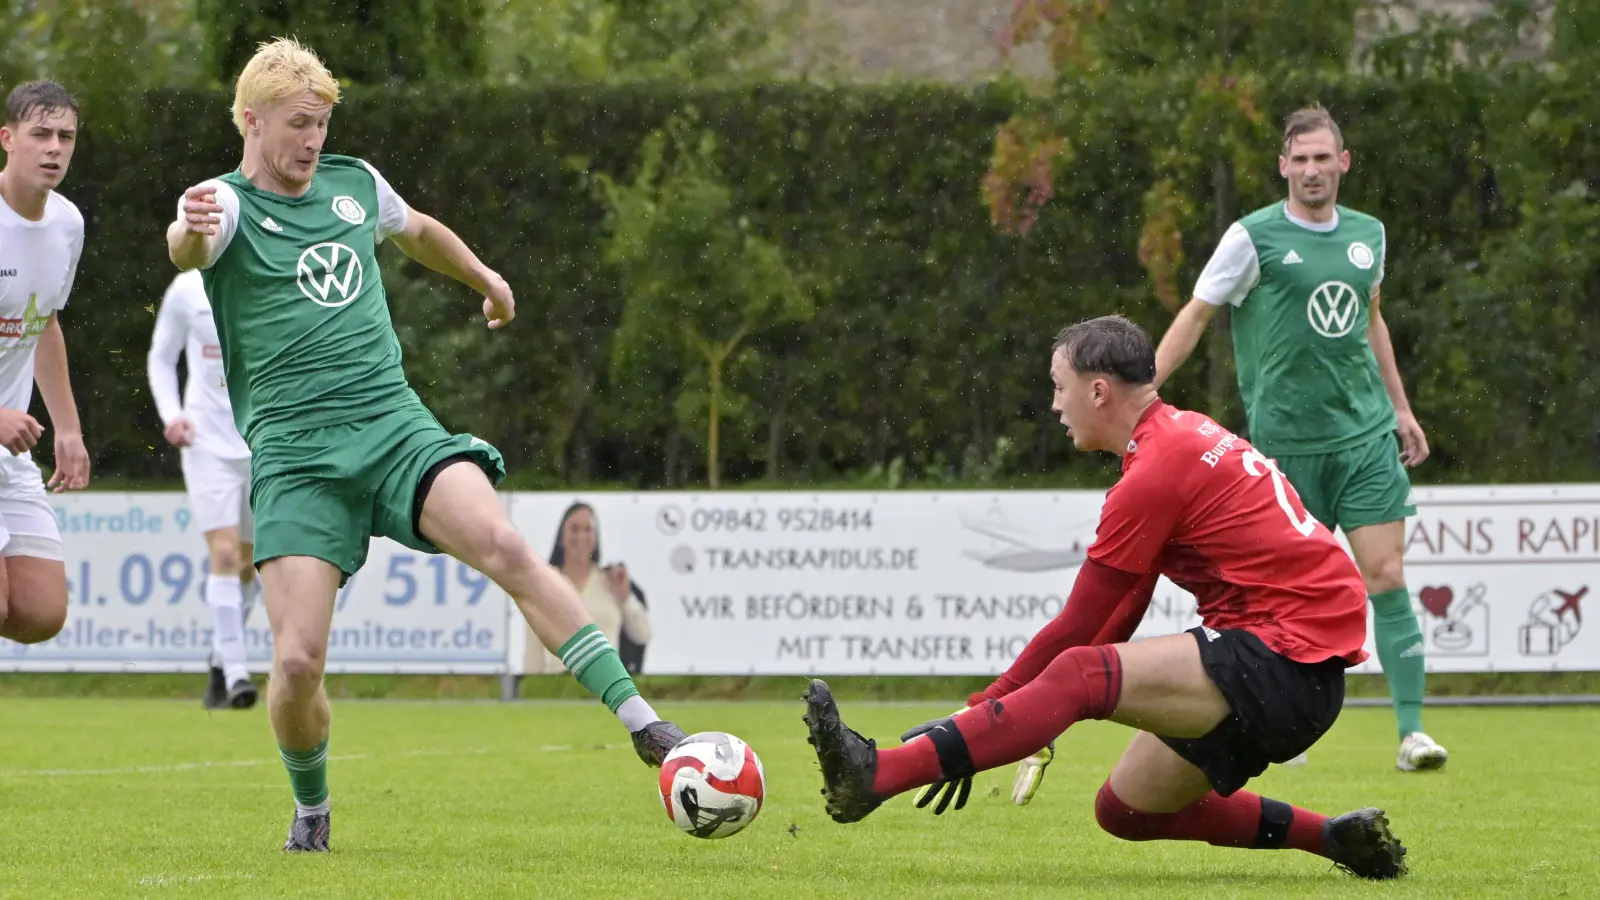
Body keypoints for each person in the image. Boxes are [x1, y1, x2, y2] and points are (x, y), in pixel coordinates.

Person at [164, 37, 685, 852]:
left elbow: (417, 230)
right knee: (297, 663)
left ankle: (646, 725)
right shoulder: (223, 206)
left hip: (392, 425)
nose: (313, 142)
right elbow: (187, 248)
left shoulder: (354, 183)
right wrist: (187, 230)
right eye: (299, 125)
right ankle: (311, 807)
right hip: (297, 458)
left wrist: (487, 280)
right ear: (251, 119)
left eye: (323, 126)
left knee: (506, 543)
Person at [804, 316, 1408, 881]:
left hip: (1283, 660)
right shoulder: (1180, 436)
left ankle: (876, 775)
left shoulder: (1155, 472)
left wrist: (980, 713)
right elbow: (1123, 610)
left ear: (1098, 391)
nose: (1053, 405)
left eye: (1058, 387)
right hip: (1298, 673)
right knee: (1126, 810)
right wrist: (1005, 721)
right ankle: (1332, 838)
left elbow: (1080, 628)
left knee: (1076, 671)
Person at [1152, 105, 1445, 773]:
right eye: (1300, 159)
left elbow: (1372, 320)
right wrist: (1145, 395)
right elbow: (1197, 314)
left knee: (1387, 574)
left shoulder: (1369, 235)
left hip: (1366, 438)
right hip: (1285, 450)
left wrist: (1401, 408)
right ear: (1284, 166)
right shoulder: (1251, 237)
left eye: (1324, 158)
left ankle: (1412, 734)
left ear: (1344, 163)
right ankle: (1274, 728)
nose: (1312, 170)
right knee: (1281, 601)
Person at [0, 80, 91, 647]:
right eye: (40, 134)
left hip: (10, 453)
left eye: (66, 136)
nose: (54, 148)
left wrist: (69, 428)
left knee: (39, 612)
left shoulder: (68, 224)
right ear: (7, 139)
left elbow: (46, 322)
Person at [147, 268, 260, 710]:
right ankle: (237, 674)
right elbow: (161, 356)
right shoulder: (186, 289)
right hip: (205, 442)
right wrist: (171, 414)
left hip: (258, 440)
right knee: (226, 554)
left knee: (250, 565)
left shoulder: (267, 272)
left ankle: (219, 659)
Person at [526, 502, 652, 675]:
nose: (581, 536)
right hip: (558, 684)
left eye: (588, 530)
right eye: (574, 529)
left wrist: (625, 597)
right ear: (562, 534)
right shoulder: (547, 582)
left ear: (596, 536)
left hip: (607, 682)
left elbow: (642, 634)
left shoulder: (609, 582)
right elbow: (533, 648)